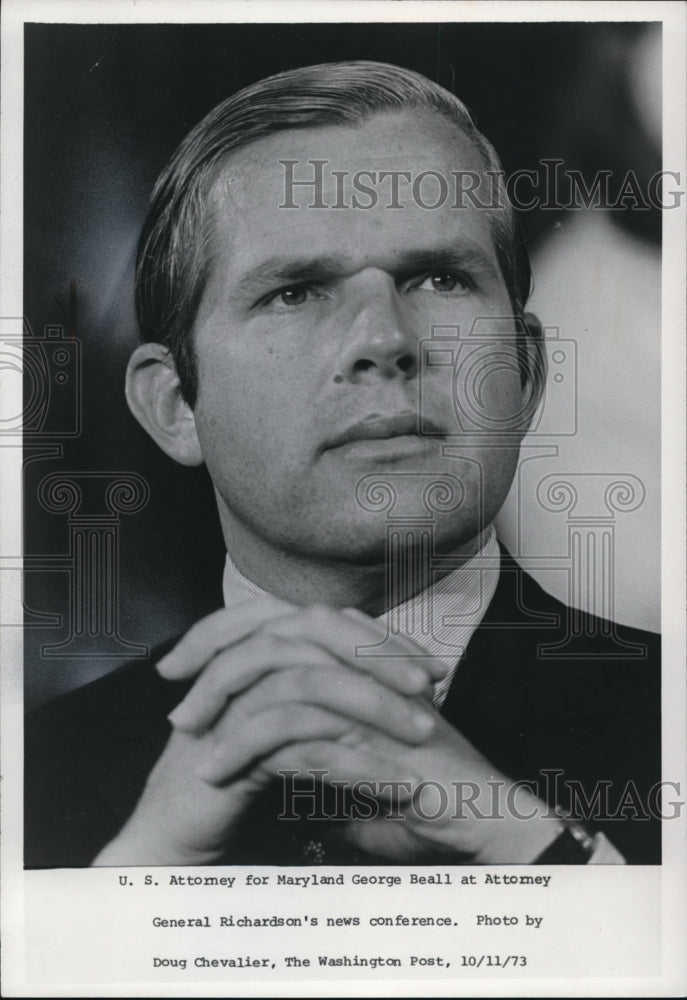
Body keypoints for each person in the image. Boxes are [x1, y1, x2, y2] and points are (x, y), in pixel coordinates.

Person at [24, 61, 660, 868]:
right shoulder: (29, 780)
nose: (384, 340)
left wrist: (541, 852)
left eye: (439, 277)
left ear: (525, 376)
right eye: (296, 291)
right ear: (175, 403)